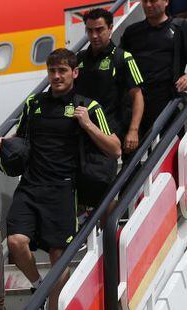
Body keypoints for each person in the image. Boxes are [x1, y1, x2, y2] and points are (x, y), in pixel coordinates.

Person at [0, 49, 121, 310]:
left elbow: (115, 148)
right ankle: (40, 286)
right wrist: (1, 141)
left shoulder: (88, 106)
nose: (57, 76)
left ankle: (52, 303)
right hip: (30, 186)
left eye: (62, 71)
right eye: (52, 71)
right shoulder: (34, 103)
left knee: (58, 256)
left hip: (62, 189)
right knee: (15, 242)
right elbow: (21, 136)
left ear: (75, 72)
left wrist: (88, 125)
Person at [75, 8, 144, 215]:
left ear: (111, 29)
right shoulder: (78, 59)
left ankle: (107, 244)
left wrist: (133, 130)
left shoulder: (123, 58)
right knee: (79, 194)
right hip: (82, 138)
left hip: (111, 137)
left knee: (108, 196)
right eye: (90, 31)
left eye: (100, 30)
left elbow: (138, 96)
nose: (94, 35)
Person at [121, 0, 187, 137]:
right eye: (145, 1)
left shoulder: (181, 27)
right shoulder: (131, 32)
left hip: (167, 99)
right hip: (136, 100)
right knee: (133, 152)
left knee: (170, 147)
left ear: (166, 1)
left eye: (153, 0)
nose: (148, 5)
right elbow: (120, 62)